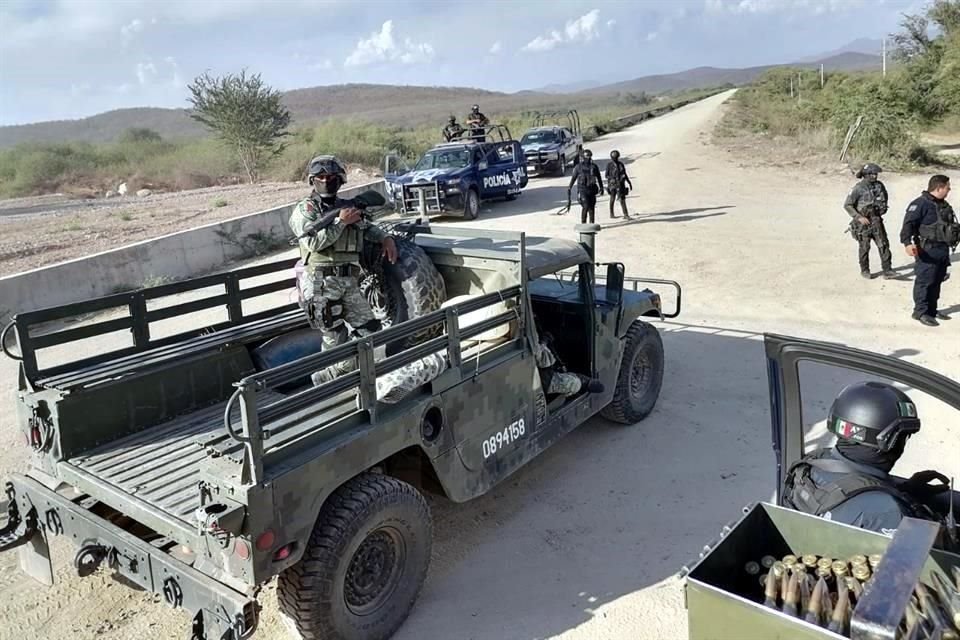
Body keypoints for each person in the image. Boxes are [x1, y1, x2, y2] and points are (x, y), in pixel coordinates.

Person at [782, 381, 957, 545]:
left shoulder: (811, 463)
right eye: (903, 437)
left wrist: (905, 490)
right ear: (888, 440)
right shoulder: (888, 512)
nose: (903, 444)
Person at [288, 155, 398, 384]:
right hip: (321, 282)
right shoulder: (305, 210)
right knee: (335, 337)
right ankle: (328, 380)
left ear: (341, 180)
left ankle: (348, 376)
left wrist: (385, 238)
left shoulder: (346, 207)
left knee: (370, 330)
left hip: (349, 281)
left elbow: (366, 228)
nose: (326, 181)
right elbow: (313, 243)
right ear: (312, 180)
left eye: (332, 177)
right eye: (321, 177)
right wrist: (340, 222)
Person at [901, 174, 958, 327]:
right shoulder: (920, 204)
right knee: (925, 281)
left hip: (942, 249)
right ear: (939, 188)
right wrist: (907, 243)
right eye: (947, 187)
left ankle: (932, 310)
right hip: (927, 250)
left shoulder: (943, 205)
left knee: (937, 280)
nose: (949, 190)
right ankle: (920, 312)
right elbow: (907, 226)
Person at [844, 163, 895, 280]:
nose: (875, 176)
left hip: (876, 220)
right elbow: (848, 205)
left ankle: (887, 270)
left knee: (883, 245)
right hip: (863, 223)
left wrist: (881, 209)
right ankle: (865, 270)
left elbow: (884, 200)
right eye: (872, 174)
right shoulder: (858, 188)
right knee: (864, 247)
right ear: (865, 175)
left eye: (875, 174)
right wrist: (859, 217)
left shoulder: (879, 186)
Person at [534, 331, 603, 397]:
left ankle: (542, 342)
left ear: (588, 382)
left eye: (588, 379)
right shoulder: (575, 388)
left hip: (546, 379)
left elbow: (553, 379)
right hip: (545, 383)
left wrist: (544, 343)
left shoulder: (575, 382)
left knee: (547, 360)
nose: (585, 377)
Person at [566, 149, 604, 224]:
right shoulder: (578, 167)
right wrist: (569, 187)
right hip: (582, 189)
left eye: (590, 156)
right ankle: (583, 223)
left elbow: (599, 177)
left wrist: (601, 187)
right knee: (585, 206)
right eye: (587, 156)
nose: (589, 158)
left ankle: (592, 223)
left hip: (592, 189)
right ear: (583, 157)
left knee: (592, 207)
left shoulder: (594, 166)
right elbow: (574, 177)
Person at [604, 150, 633, 219]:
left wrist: (629, 182)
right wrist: (612, 179)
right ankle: (611, 213)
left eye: (616, 157)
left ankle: (626, 214)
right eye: (614, 158)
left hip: (620, 183)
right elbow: (606, 175)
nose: (615, 159)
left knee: (622, 199)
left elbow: (624, 174)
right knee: (612, 198)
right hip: (612, 184)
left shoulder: (621, 164)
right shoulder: (609, 165)